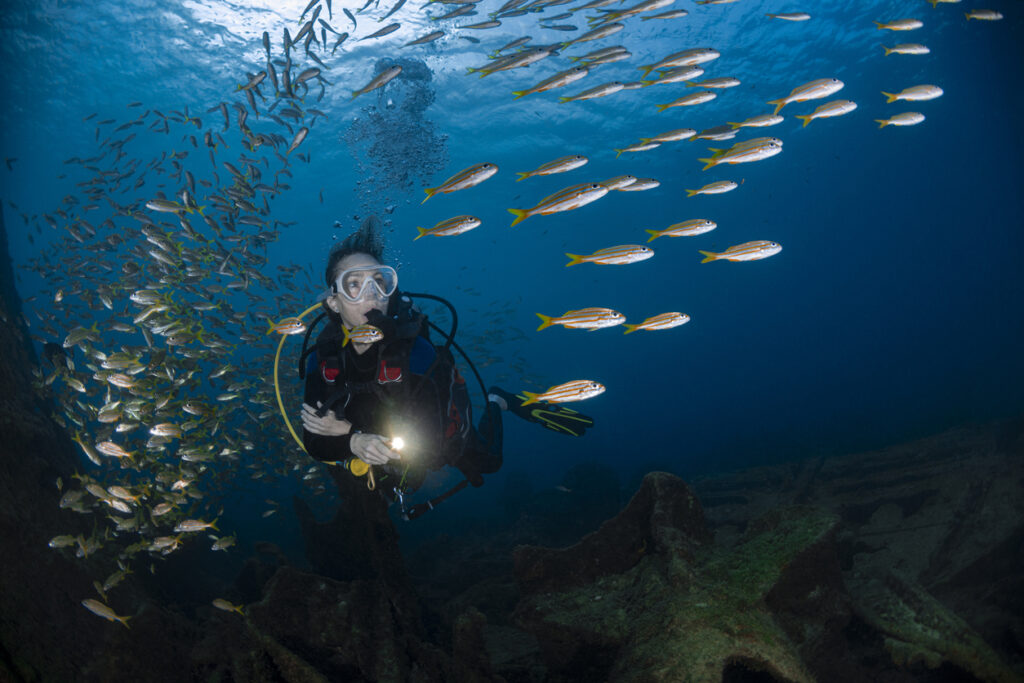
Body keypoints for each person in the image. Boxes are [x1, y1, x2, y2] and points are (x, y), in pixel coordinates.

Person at [300, 218, 593, 521]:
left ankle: (498, 401)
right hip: (379, 441)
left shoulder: (416, 353)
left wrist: (348, 435)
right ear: (333, 302)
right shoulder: (324, 358)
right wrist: (355, 442)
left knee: (489, 462)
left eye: (379, 281)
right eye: (354, 284)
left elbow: (429, 449)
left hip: (438, 441)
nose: (372, 294)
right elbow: (313, 440)